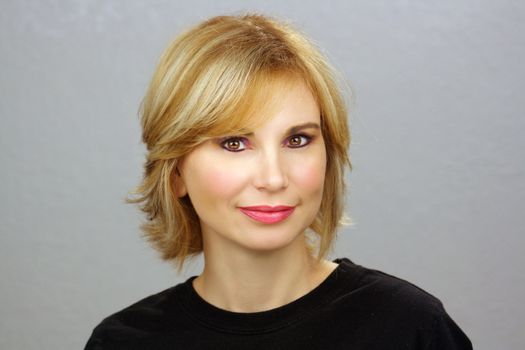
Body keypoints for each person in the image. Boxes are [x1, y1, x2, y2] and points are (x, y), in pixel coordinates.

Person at [85, 14, 472, 349]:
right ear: (175, 172)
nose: (273, 178)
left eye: (297, 140)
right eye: (234, 143)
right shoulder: (122, 342)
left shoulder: (410, 328)